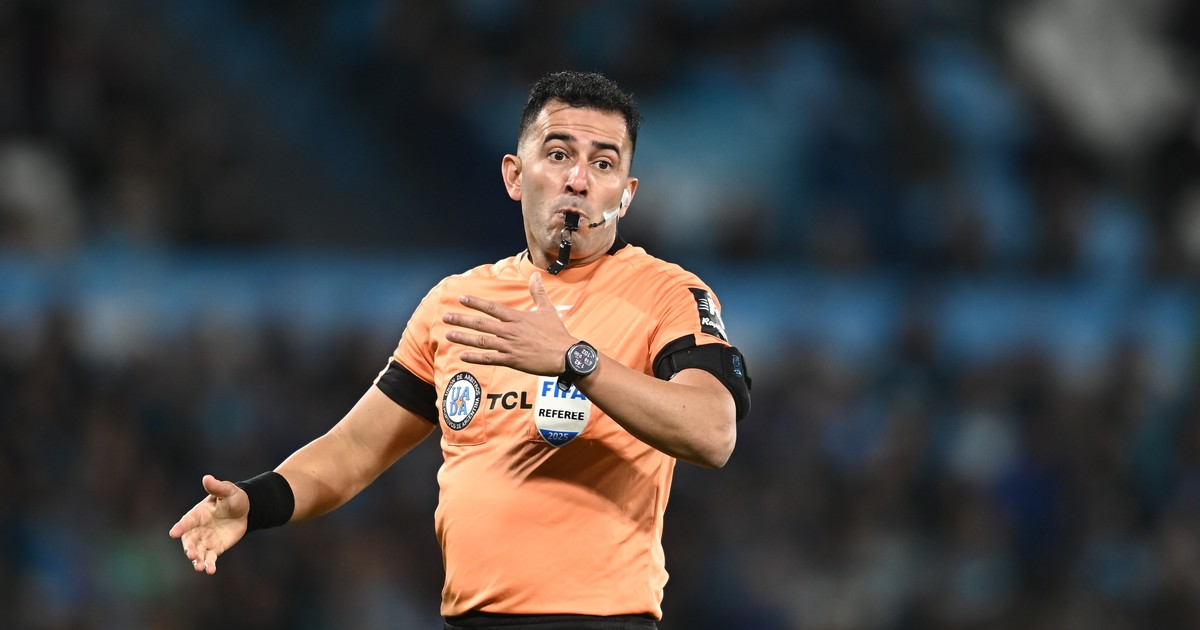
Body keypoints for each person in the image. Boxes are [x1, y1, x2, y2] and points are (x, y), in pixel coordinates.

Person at [169, 70, 751, 630]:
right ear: (514, 176)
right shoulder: (458, 304)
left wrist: (575, 360)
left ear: (625, 195)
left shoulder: (668, 294)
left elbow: (713, 431)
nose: (579, 179)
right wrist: (256, 501)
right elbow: (354, 450)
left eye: (603, 164)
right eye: (558, 155)